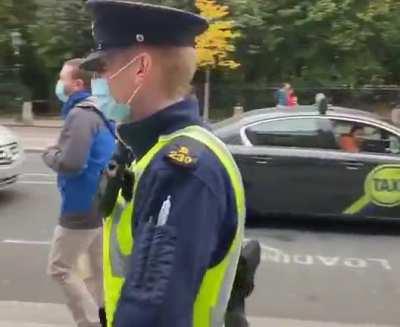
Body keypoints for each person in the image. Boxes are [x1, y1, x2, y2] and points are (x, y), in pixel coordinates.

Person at [80, 1, 246, 327]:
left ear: (140, 68)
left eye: (103, 68)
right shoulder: (147, 148)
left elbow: (153, 314)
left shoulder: (180, 170)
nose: (96, 83)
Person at [43, 58, 116, 327]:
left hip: (81, 203)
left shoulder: (80, 114)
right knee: (96, 269)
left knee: (59, 268)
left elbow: (72, 165)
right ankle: (106, 316)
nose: (59, 85)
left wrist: (49, 154)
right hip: (100, 200)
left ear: (77, 84)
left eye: (63, 79)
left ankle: (90, 322)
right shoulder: (99, 111)